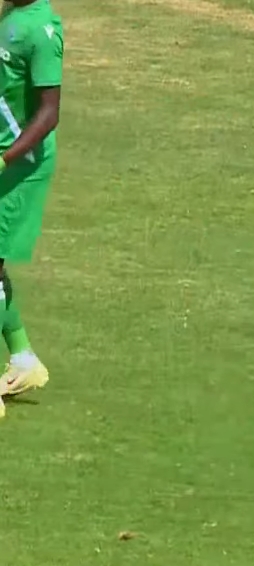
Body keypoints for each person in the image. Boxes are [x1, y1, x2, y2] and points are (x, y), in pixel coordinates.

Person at [0, 0, 63, 416]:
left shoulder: (42, 30)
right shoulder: (10, 12)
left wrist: (4, 160)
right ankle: (23, 360)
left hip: (19, 167)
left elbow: (49, 113)